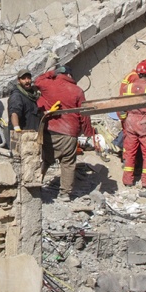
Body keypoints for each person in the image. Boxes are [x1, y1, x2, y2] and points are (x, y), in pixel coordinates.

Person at [34, 65, 94, 198]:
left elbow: (37, 80)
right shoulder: (78, 91)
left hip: (50, 130)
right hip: (69, 133)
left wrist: (51, 72)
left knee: (46, 160)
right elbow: (84, 114)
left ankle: (36, 186)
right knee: (68, 164)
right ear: (70, 76)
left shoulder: (48, 85)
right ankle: (65, 194)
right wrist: (88, 132)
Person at [118, 59, 146, 189]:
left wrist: (124, 118)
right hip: (145, 121)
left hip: (130, 121)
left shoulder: (127, 87)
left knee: (129, 151)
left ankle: (128, 180)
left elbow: (120, 105)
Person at [7, 71, 44, 187]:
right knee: (23, 166)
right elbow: (14, 113)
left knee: (32, 165)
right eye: (24, 79)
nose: (27, 81)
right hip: (23, 137)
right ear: (19, 81)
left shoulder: (31, 95)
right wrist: (17, 130)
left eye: (29, 78)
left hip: (32, 136)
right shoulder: (17, 96)